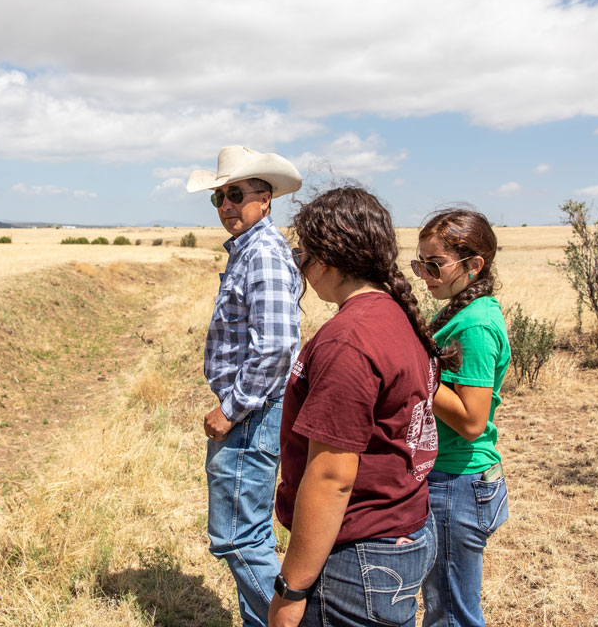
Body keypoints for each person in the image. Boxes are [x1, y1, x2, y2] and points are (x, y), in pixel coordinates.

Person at [270, 186, 448, 627]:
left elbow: (331, 478)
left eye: (303, 258)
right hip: (402, 532)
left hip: (358, 557)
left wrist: (290, 590)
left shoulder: (348, 339)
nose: (302, 271)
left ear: (327, 260)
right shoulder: (392, 314)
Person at [187, 145, 304, 627]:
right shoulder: (251, 249)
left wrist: (232, 409)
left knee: (239, 537)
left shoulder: (263, 252)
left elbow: (276, 346)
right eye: (218, 198)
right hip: (255, 409)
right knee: (248, 534)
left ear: (266, 198)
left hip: (254, 413)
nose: (226, 205)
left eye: (235, 193)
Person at [414, 208, 510, 627]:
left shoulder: (474, 325)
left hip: (458, 483)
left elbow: (472, 421)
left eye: (435, 265)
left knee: (451, 615)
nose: (425, 274)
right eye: (420, 264)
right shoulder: (459, 311)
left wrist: (416, 374)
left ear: (474, 265)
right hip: (455, 481)